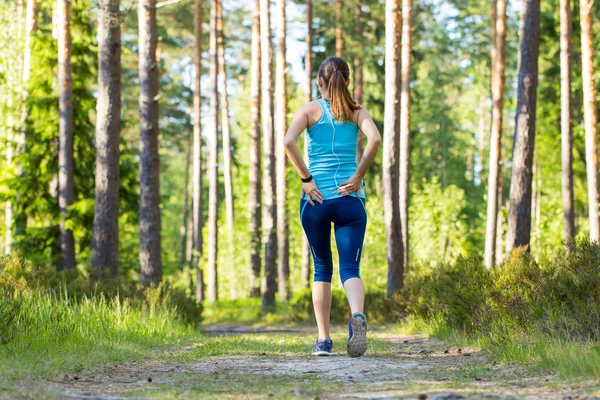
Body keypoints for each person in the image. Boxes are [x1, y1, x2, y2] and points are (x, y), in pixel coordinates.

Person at [284, 56, 382, 358]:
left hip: (316, 201)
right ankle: (356, 316)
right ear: (348, 82)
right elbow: (375, 139)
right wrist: (358, 176)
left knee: (322, 268)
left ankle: (324, 341)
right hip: (350, 201)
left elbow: (288, 141)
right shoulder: (357, 112)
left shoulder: (310, 110)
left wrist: (307, 179)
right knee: (350, 267)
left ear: (319, 82)